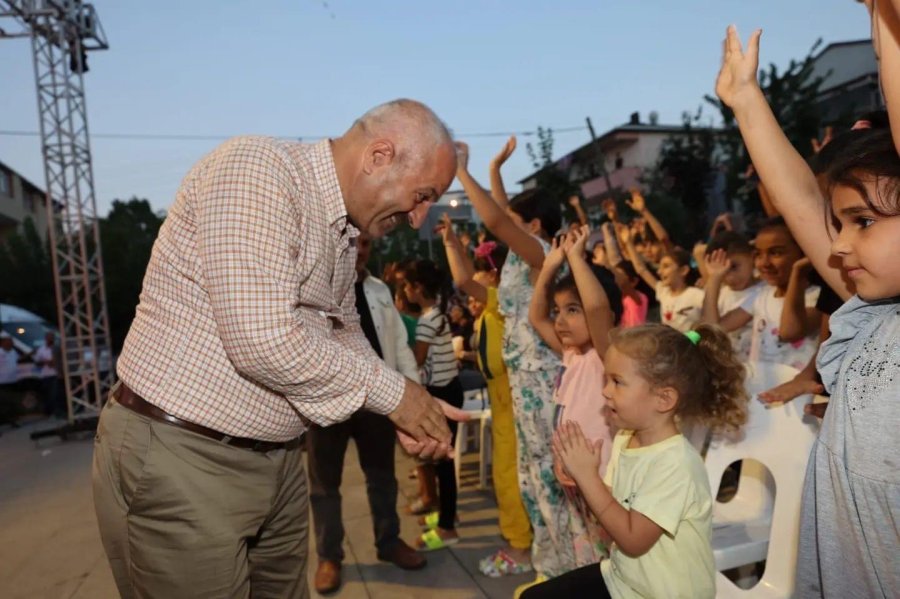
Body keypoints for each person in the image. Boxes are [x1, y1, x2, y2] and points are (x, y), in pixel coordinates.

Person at [92, 99, 467, 599]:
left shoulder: (341, 227)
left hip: (279, 460)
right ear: (379, 155)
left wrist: (406, 404)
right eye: (422, 196)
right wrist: (395, 395)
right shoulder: (257, 171)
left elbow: (344, 331)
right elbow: (264, 339)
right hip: (184, 459)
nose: (419, 218)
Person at [716, 26, 900, 596]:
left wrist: (888, 23)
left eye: (863, 221)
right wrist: (747, 102)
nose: (838, 245)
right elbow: (799, 201)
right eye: (840, 223)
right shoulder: (871, 317)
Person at [521, 324, 748, 598]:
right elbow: (617, 508)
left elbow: (633, 539)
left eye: (617, 381)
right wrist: (582, 476)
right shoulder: (626, 437)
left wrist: (588, 478)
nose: (605, 391)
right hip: (625, 580)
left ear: (663, 398)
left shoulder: (676, 464)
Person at [456, 140, 572, 593]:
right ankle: (543, 558)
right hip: (523, 381)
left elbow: (497, 219)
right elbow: (504, 212)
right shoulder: (530, 251)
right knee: (531, 475)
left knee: (547, 476)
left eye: (518, 224)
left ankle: (558, 564)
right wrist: (493, 169)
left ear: (536, 226)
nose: (506, 232)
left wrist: (464, 172)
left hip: (542, 380)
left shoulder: (542, 252)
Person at [308, 232, 426, 595]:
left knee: (383, 476)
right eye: (352, 243)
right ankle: (329, 557)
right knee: (325, 485)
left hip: (377, 398)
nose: (359, 251)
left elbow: (400, 347)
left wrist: (413, 391)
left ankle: (388, 541)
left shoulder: (378, 290)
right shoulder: (316, 289)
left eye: (365, 245)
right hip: (328, 401)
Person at [441, 216, 534, 577]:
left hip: (514, 405)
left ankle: (519, 548)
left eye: (483, 273)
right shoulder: (492, 311)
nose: (473, 290)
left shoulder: (504, 302)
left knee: (511, 477)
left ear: (496, 278)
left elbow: (463, 279)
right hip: (503, 402)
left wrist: (452, 244)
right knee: (508, 475)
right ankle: (521, 542)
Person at [529, 226, 620, 567]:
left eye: (572, 310)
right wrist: (551, 266)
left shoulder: (606, 356)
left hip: (603, 481)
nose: (560, 320)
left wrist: (576, 260)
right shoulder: (573, 355)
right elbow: (536, 317)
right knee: (589, 560)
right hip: (576, 482)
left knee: (611, 562)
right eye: (559, 310)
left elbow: (597, 309)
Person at [402, 259, 465, 551]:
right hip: (448, 390)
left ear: (417, 288)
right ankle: (447, 514)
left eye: (406, 286)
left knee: (443, 462)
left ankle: (448, 528)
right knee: (442, 462)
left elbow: (416, 359)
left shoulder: (428, 321)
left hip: (443, 395)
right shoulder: (435, 313)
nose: (404, 290)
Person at [701, 218, 820, 370]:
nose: (764, 263)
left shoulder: (816, 298)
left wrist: (798, 273)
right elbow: (713, 329)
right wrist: (715, 279)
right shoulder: (761, 295)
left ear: (803, 252)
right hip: (761, 387)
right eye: (758, 254)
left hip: (796, 391)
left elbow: (790, 331)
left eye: (776, 253)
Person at [700, 231, 764, 361]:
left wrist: (714, 279)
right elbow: (707, 331)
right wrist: (714, 278)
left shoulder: (763, 292)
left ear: (752, 257)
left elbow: (714, 329)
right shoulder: (721, 292)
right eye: (722, 271)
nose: (730, 277)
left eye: (734, 267)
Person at [33, 331, 62, 417]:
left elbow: (61, 360)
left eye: (52, 337)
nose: (51, 339)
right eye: (49, 337)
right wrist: (45, 362)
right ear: (46, 338)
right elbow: (37, 362)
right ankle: (47, 412)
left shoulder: (57, 348)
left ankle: (55, 411)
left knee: (55, 394)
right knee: (47, 394)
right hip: (45, 375)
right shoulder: (41, 349)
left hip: (55, 374)